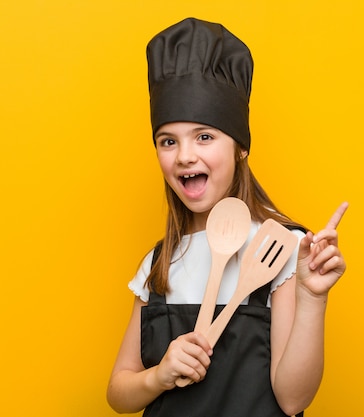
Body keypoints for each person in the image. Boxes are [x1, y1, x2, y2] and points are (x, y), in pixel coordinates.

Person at [106, 17, 348, 417]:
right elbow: (118, 393)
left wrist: (312, 298)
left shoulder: (285, 249)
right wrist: (159, 375)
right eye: (168, 141)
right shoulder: (160, 262)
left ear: (240, 148)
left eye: (205, 136)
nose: (184, 155)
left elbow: (292, 399)